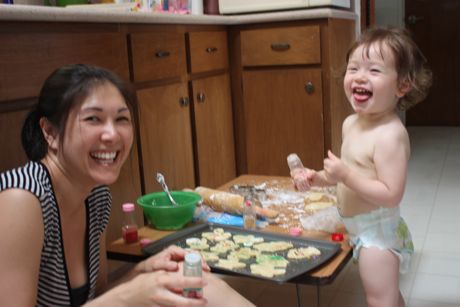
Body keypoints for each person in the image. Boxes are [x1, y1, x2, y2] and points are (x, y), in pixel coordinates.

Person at [0, 64, 254, 307]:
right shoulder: (21, 199)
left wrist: (141, 273)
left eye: (121, 119)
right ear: (50, 132)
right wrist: (126, 296)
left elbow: (96, 297)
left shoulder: (95, 194)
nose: (111, 135)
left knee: (198, 283)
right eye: (92, 119)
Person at [291, 27, 432, 307]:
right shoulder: (351, 124)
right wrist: (318, 178)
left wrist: (346, 175)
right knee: (388, 296)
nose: (359, 76)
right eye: (353, 68)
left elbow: (391, 194)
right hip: (356, 226)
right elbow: (347, 174)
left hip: (377, 233)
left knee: (380, 300)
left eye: (374, 71)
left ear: (402, 86)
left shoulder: (390, 135)